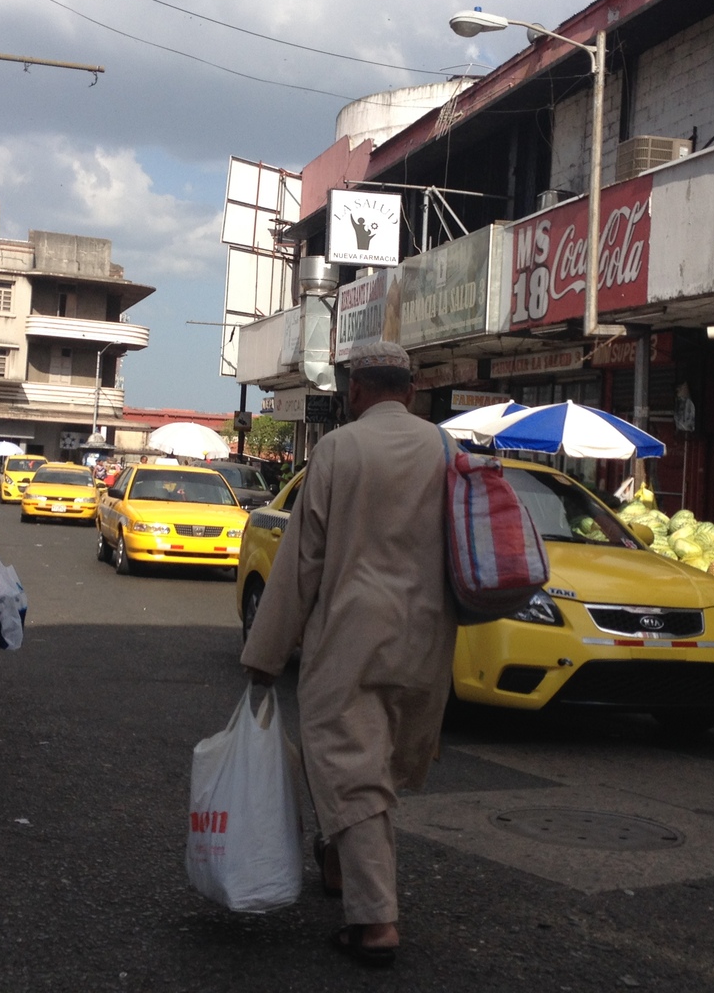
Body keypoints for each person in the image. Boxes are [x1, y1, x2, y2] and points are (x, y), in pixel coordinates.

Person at [240, 341, 453, 968]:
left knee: (349, 765)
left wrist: (266, 652)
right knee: (374, 762)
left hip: (351, 637)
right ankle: (337, 866)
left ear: (355, 392)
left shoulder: (337, 449)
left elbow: (301, 562)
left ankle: (376, 922)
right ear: (411, 392)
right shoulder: (446, 449)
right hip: (427, 639)